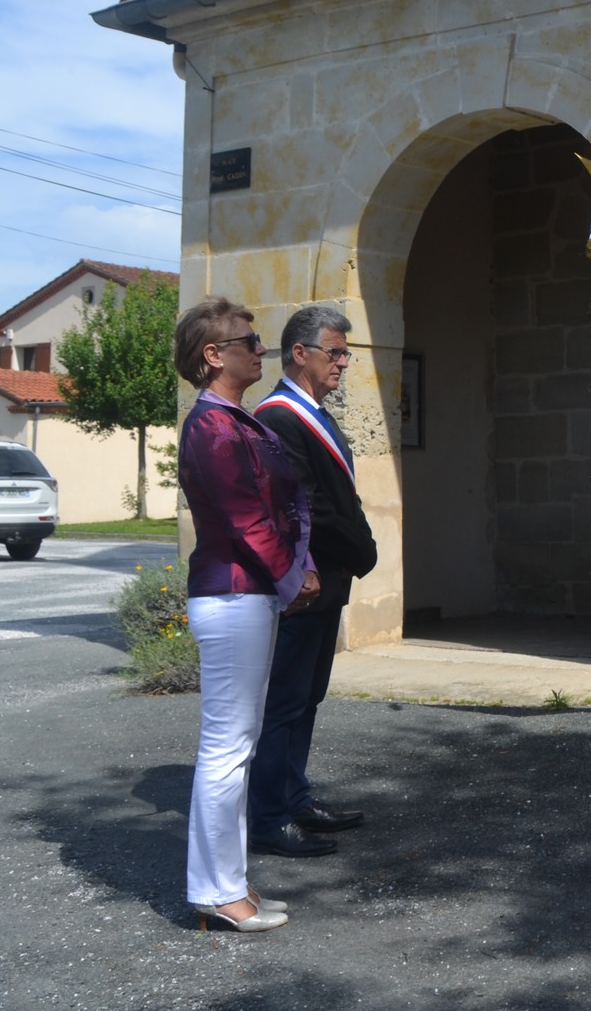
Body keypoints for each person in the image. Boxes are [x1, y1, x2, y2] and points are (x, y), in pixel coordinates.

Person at [174, 297, 319, 932]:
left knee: (238, 745)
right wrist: (292, 575)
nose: (259, 348)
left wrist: (294, 568)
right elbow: (246, 519)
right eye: (247, 340)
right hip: (232, 596)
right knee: (227, 750)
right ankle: (214, 893)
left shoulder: (234, 421)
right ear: (213, 355)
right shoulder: (212, 427)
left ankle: (229, 883)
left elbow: (281, 505)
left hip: (245, 596)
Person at [247, 305, 377, 858]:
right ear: (300, 353)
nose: (343, 363)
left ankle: (295, 796)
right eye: (336, 352)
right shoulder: (277, 417)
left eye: (346, 353)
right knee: (286, 700)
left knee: (309, 697)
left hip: (329, 580)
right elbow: (308, 507)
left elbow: (342, 495)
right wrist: (363, 547)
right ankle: (270, 815)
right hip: (306, 582)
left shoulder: (314, 411)